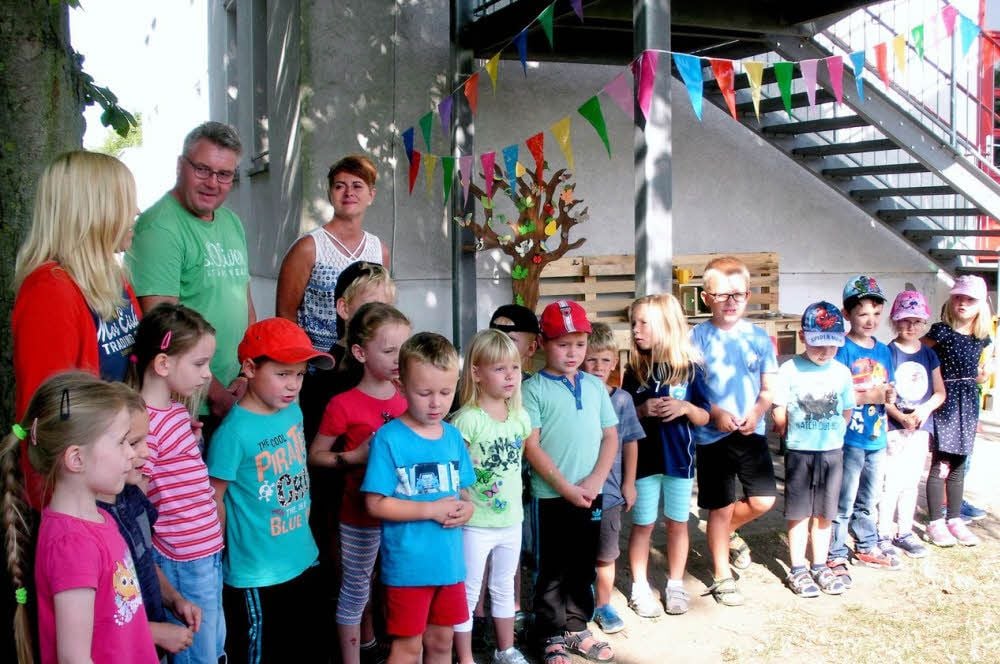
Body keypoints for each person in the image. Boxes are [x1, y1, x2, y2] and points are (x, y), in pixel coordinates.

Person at [12, 150, 142, 509]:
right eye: (126, 202)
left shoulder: (113, 278)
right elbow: (50, 417)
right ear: (95, 211)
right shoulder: (49, 291)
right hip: (80, 491)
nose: (135, 212)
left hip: (116, 472)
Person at [1, 372, 158, 664]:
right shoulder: (72, 546)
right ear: (76, 459)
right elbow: (75, 659)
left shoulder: (99, 518)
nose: (131, 453)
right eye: (122, 442)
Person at [206, 318, 333, 662]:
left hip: (302, 555)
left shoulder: (292, 411)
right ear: (249, 368)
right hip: (257, 572)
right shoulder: (233, 434)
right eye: (282, 374)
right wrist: (216, 559)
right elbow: (214, 497)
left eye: (300, 375)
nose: (293, 384)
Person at [127, 121, 255, 427]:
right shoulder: (159, 228)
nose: (212, 182)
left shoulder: (231, 222)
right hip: (190, 404)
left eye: (224, 174)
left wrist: (247, 373)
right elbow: (163, 328)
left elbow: (245, 303)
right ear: (180, 166)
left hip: (236, 388)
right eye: (202, 169)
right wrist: (217, 395)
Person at [362, 333, 476, 664]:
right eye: (424, 393)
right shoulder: (389, 439)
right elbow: (375, 503)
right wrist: (430, 510)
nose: (436, 403)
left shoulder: (453, 436)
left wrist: (468, 508)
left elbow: (463, 490)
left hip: (449, 564)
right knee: (408, 648)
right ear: (401, 387)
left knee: (442, 642)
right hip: (408, 568)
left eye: (446, 392)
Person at [309, 303, 411, 664]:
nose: (399, 359)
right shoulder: (343, 404)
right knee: (356, 589)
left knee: (399, 584)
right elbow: (315, 455)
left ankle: (396, 650)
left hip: (404, 514)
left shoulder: (409, 396)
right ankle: (357, 653)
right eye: (389, 350)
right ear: (360, 352)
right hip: (358, 515)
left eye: (404, 349)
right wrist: (353, 457)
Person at [127, 304, 226, 663]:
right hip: (182, 558)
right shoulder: (146, 427)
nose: (207, 374)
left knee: (214, 643)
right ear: (163, 364)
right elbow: (135, 499)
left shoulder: (175, 412)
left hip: (203, 551)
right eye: (199, 364)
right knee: (199, 652)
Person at [522, 300, 618, 664]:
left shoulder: (595, 387)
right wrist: (565, 488)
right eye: (563, 344)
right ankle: (548, 632)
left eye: (580, 344)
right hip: (550, 496)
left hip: (591, 494)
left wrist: (595, 480)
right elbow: (532, 445)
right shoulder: (533, 390)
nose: (573, 352)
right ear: (543, 344)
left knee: (582, 563)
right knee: (551, 568)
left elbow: (610, 436)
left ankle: (577, 628)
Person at [690, 256, 778, 606]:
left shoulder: (758, 337)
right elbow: (691, 389)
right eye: (721, 295)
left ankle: (725, 532)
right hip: (712, 438)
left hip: (751, 433)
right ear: (706, 297)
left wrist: (757, 412)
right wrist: (715, 413)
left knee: (763, 500)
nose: (730, 301)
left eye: (738, 294)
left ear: (748, 295)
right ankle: (722, 575)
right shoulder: (696, 338)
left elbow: (767, 389)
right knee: (720, 507)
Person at [621, 295, 710, 617]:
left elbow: (705, 416)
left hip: (679, 463)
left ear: (667, 325)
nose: (636, 329)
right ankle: (639, 587)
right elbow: (621, 416)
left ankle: (675, 584)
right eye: (633, 323)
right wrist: (641, 409)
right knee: (643, 525)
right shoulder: (635, 370)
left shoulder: (690, 369)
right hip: (644, 464)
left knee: (677, 523)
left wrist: (685, 407)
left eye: (644, 323)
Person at [96, 400, 204, 658]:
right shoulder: (90, 524)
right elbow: (91, 622)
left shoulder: (132, 497)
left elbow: (143, 560)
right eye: (133, 442)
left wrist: (174, 599)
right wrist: (153, 632)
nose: (145, 451)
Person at [451, 330, 532, 664]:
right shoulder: (467, 421)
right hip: (476, 523)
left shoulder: (520, 418)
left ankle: (506, 649)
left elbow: (517, 467)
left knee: (503, 586)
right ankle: (465, 657)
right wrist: (464, 502)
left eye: (514, 367)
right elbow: (454, 472)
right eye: (499, 369)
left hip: (511, 520)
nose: (510, 375)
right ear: (476, 373)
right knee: (468, 591)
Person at [772, 302, 855, 598]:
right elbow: (779, 409)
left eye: (832, 345)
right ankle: (797, 568)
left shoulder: (842, 372)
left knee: (824, 513)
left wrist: (835, 434)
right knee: (800, 513)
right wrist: (788, 433)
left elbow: (847, 409)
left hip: (832, 452)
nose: (825, 351)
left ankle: (819, 564)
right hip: (800, 452)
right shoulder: (789, 369)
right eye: (819, 344)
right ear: (803, 337)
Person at [276, 153, 391, 354]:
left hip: (364, 362)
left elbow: (383, 313)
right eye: (339, 186)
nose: (349, 192)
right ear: (330, 193)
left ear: (371, 195)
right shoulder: (308, 248)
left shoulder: (379, 251)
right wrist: (302, 362)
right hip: (317, 364)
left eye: (357, 185)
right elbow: (285, 316)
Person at [827, 275, 899, 583]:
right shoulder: (841, 349)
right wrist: (868, 395)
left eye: (876, 313)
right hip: (850, 438)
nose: (870, 320)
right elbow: (835, 395)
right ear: (847, 314)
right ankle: (834, 551)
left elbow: (888, 389)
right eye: (862, 313)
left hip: (877, 436)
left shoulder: (883, 351)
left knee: (869, 498)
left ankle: (866, 544)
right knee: (844, 498)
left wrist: (890, 396)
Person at [581, 323, 644, 631]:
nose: (598, 367)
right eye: (591, 359)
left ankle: (604, 604)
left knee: (606, 553)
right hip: (578, 491)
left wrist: (629, 483)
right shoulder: (574, 397)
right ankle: (579, 603)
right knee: (578, 552)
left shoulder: (622, 400)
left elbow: (630, 442)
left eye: (605, 360)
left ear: (614, 362)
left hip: (611, 492)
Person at [923, 276, 992, 547]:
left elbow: (978, 371)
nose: (962, 303)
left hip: (968, 404)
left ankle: (954, 519)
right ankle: (935, 522)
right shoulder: (941, 331)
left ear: (981, 304)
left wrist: (981, 376)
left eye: (970, 299)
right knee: (940, 464)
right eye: (958, 297)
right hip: (946, 402)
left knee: (960, 464)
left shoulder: (981, 338)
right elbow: (917, 355)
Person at [300, 260, 397, 443]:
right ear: (344, 308)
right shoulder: (326, 376)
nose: (382, 317)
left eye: (387, 308)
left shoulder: (394, 365)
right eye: (372, 307)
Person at [879, 291, 944, 557]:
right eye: (905, 320)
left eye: (917, 321)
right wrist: (900, 416)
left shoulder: (929, 355)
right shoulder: (887, 352)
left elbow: (939, 392)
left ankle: (904, 531)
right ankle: (883, 533)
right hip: (895, 427)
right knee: (890, 481)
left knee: (911, 481)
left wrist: (924, 410)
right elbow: (881, 394)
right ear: (895, 320)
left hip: (920, 427)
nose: (911, 326)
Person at [489, 304, 541, 378]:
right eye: (494, 337)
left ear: (530, 349)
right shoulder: (478, 378)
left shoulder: (532, 384)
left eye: (509, 339)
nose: (498, 343)